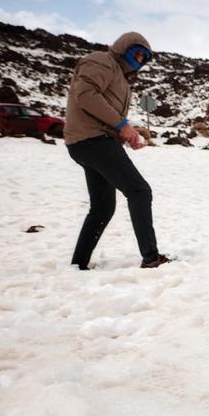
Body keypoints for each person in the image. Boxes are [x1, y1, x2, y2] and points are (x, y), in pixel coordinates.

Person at [64, 31, 172, 270]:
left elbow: (104, 110)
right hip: (92, 140)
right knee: (139, 191)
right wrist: (121, 125)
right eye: (137, 52)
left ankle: (78, 264)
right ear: (123, 47)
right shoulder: (102, 61)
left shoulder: (119, 76)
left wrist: (125, 134)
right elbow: (85, 95)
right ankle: (151, 257)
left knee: (103, 207)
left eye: (145, 57)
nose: (140, 59)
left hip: (91, 141)